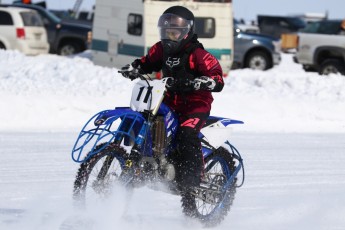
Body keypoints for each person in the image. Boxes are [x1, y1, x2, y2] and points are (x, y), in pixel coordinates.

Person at [119, 5, 224, 191]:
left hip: (195, 105)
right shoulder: (161, 49)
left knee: (186, 135)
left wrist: (206, 81)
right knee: (151, 124)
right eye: (167, 32)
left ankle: (192, 181)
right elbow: (147, 63)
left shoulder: (198, 55)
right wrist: (135, 68)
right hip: (168, 101)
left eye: (175, 33)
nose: (170, 37)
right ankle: (150, 165)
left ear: (186, 32)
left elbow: (217, 77)